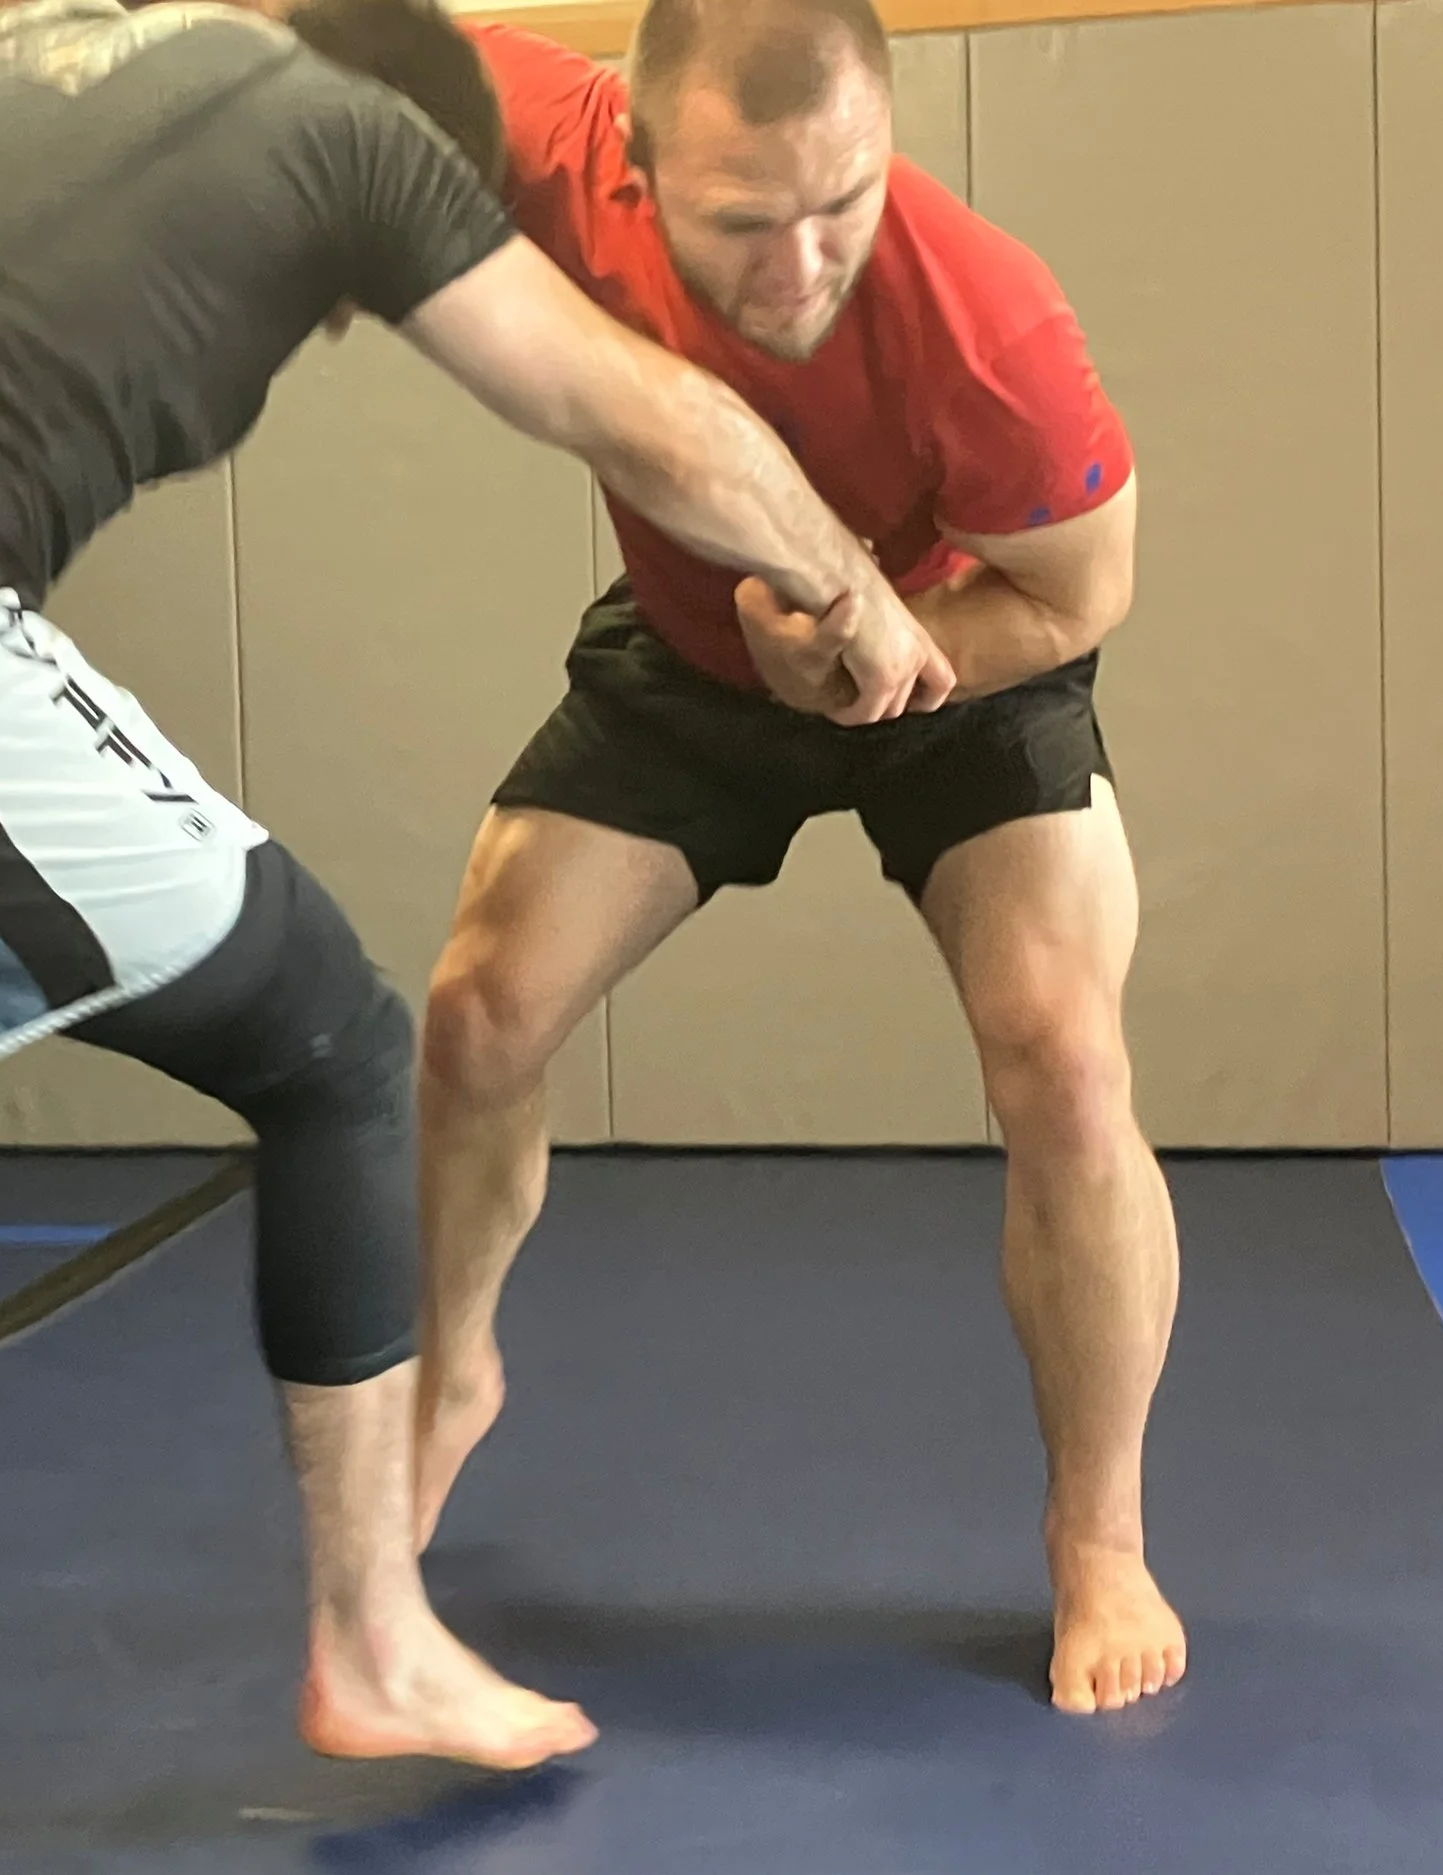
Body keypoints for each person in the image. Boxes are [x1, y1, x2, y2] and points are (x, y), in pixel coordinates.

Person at [0, 0, 957, 1867]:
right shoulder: (352, 131)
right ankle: (376, 1638)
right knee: (340, 1042)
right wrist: (857, 598)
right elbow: (642, 408)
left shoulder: (40, 57)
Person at [410, 0, 1185, 1719]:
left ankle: (1102, 1535)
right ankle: (453, 1370)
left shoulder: (987, 322)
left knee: (1064, 1055)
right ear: (632, 159)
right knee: (476, 1012)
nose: (801, 264)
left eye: (842, 203)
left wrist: (874, 647)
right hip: (697, 654)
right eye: (744, 223)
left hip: (968, 652)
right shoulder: (553, 135)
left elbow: (1080, 592)